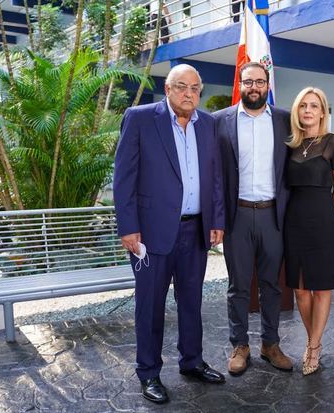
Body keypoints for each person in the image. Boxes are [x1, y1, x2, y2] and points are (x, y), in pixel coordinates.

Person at [113, 64, 226, 404]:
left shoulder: (208, 123)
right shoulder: (140, 118)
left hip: (195, 231)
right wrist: (129, 227)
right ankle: (148, 373)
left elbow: (215, 176)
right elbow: (124, 178)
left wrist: (216, 219)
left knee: (191, 302)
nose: (189, 93)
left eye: (195, 88)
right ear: (167, 88)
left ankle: (191, 361)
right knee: (150, 306)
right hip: (151, 234)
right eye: (181, 87)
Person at [213, 62, 293, 376]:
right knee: (238, 286)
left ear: (267, 84)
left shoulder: (286, 120)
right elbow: (215, 176)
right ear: (240, 83)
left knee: (273, 285)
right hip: (238, 216)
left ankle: (270, 345)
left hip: (274, 215)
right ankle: (240, 346)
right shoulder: (220, 121)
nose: (254, 87)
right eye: (248, 82)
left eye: (260, 81)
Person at [284, 87, 334, 375]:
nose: (308, 110)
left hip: (323, 219)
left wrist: (330, 218)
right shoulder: (290, 145)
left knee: (321, 287)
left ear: (323, 111)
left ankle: (313, 347)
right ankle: (314, 340)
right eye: (303, 106)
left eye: (314, 106)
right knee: (300, 290)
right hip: (294, 220)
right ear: (297, 112)